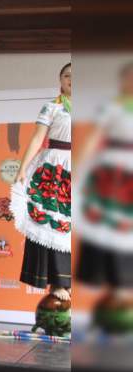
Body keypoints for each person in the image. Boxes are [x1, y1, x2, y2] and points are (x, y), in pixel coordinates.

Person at [10, 63, 72, 301]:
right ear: (60, 79)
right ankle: (58, 283)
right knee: (51, 223)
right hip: (53, 168)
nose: (72, 80)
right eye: (67, 76)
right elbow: (37, 138)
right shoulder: (52, 107)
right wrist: (23, 167)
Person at [75, 62, 133, 303]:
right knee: (104, 225)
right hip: (112, 171)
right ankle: (100, 278)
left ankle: (125, 286)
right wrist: (78, 168)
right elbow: (94, 137)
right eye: (127, 78)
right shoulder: (112, 106)